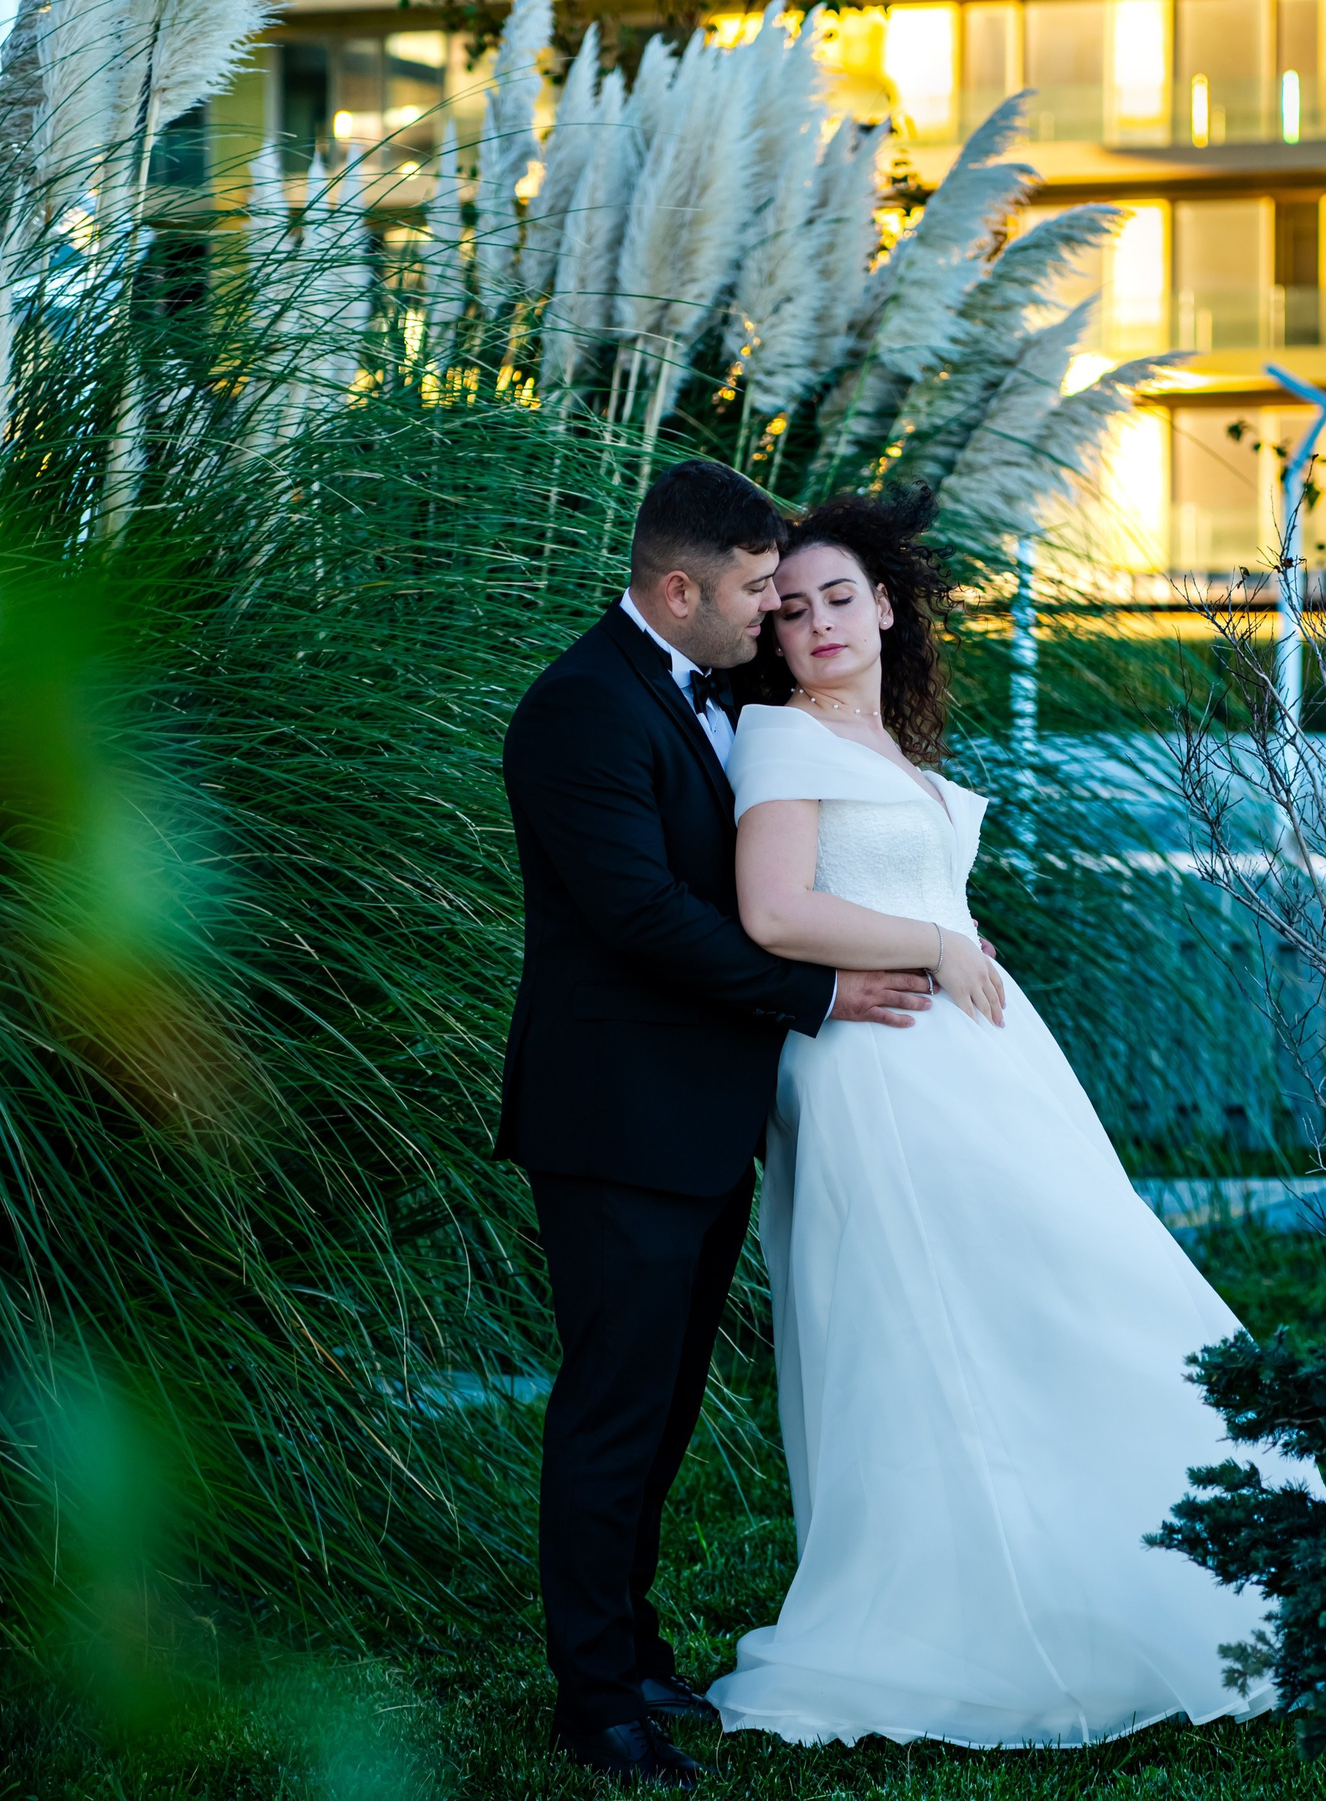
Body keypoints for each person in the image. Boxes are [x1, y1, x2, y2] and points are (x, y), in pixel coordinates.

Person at [704, 486, 1326, 1749]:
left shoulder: (889, 749)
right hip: (880, 1073)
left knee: (1064, 1291)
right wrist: (936, 943)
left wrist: (949, 940)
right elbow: (772, 911)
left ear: (886, 607)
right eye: (792, 609)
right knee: (932, 1325)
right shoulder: (779, 741)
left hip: (975, 1066)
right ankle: (970, 1609)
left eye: (840, 598)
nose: (818, 624)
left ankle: (1127, 1563)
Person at [494, 461, 938, 1789]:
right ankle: (595, 1704)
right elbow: (639, 916)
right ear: (679, 589)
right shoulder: (578, 709)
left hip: (701, 1117)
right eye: (755, 589)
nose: (773, 609)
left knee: (665, 1401)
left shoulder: (717, 689)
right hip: (615, 1119)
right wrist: (822, 992)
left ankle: (633, 1651)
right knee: (613, 1407)